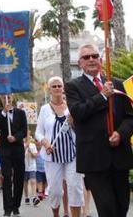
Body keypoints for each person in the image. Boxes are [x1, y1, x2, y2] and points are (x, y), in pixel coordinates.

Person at [66, 44, 133, 217]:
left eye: (94, 56)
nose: (91, 59)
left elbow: (131, 118)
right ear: (80, 63)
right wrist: (102, 96)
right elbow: (78, 113)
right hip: (94, 158)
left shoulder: (117, 83)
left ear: (100, 59)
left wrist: (121, 133)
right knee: (107, 209)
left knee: (122, 206)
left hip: (119, 156)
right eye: (86, 57)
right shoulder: (73, 86)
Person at [36, 76, 83, 217]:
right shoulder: (44, 109)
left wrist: (74, 122)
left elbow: (81, 129)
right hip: (53, 156)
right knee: (55, 191)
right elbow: (38, 132)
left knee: (75, 187)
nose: (57, 88)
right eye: (54, 86)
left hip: (72, 154)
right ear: (49, 90)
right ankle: (56, 214)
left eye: (59, 86)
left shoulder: (71, 107)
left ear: (63, 88)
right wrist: (45, 143)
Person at [0, 94, 27, 216]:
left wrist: (15, 137)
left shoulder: (21, 113)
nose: (6, 98)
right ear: (0, 98)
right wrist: (4, 112)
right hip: (5, 151)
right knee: (7, 178)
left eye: (8, 96)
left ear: (12, 97)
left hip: (18, 150)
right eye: (3, 97)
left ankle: (16, 206)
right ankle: (7, 208)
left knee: (19, 178)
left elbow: (24, 130)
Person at [23, 138, 37, 206]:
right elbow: (20, 155)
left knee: (33, 181)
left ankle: (34, 197)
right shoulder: (21, 145)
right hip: (24, 167)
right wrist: (25, 148)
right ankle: (27, 197)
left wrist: (30, 151)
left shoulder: (33, 145)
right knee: (25, 182)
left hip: (32, 167)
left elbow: (35, 156)